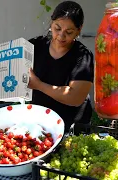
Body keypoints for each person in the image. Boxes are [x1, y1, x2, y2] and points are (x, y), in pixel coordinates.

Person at [28, 1, 94, 132]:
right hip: (38, 123)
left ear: (78, 30)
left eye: (69, 32)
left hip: (72, 127)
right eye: (57, 28)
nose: (61, 36)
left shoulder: (83, 56)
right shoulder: (33, 46)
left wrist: (38, 85)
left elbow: (75, 97)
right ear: (51, 23)